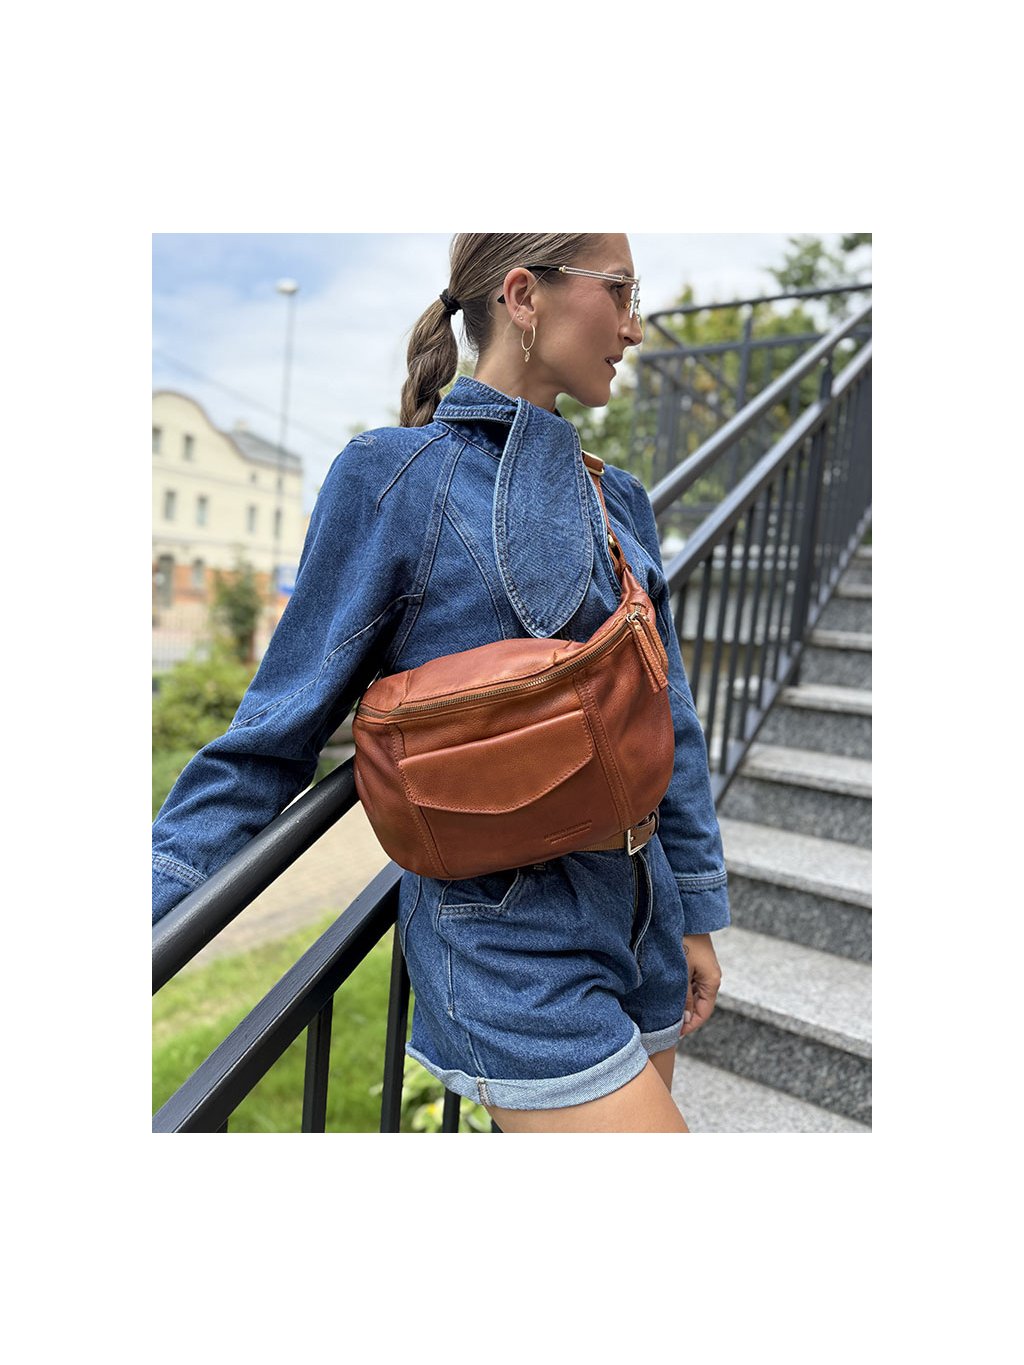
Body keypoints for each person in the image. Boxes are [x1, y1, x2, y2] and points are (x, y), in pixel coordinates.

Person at [153, 233, 729, 1133]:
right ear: (523, 296)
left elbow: (671, 717)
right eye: (619, 292)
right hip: (510, 945)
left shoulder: (620, 500)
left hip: (642, 915)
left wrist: (693, 908)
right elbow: (271, 735)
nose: (635, 326)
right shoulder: (390, 478)